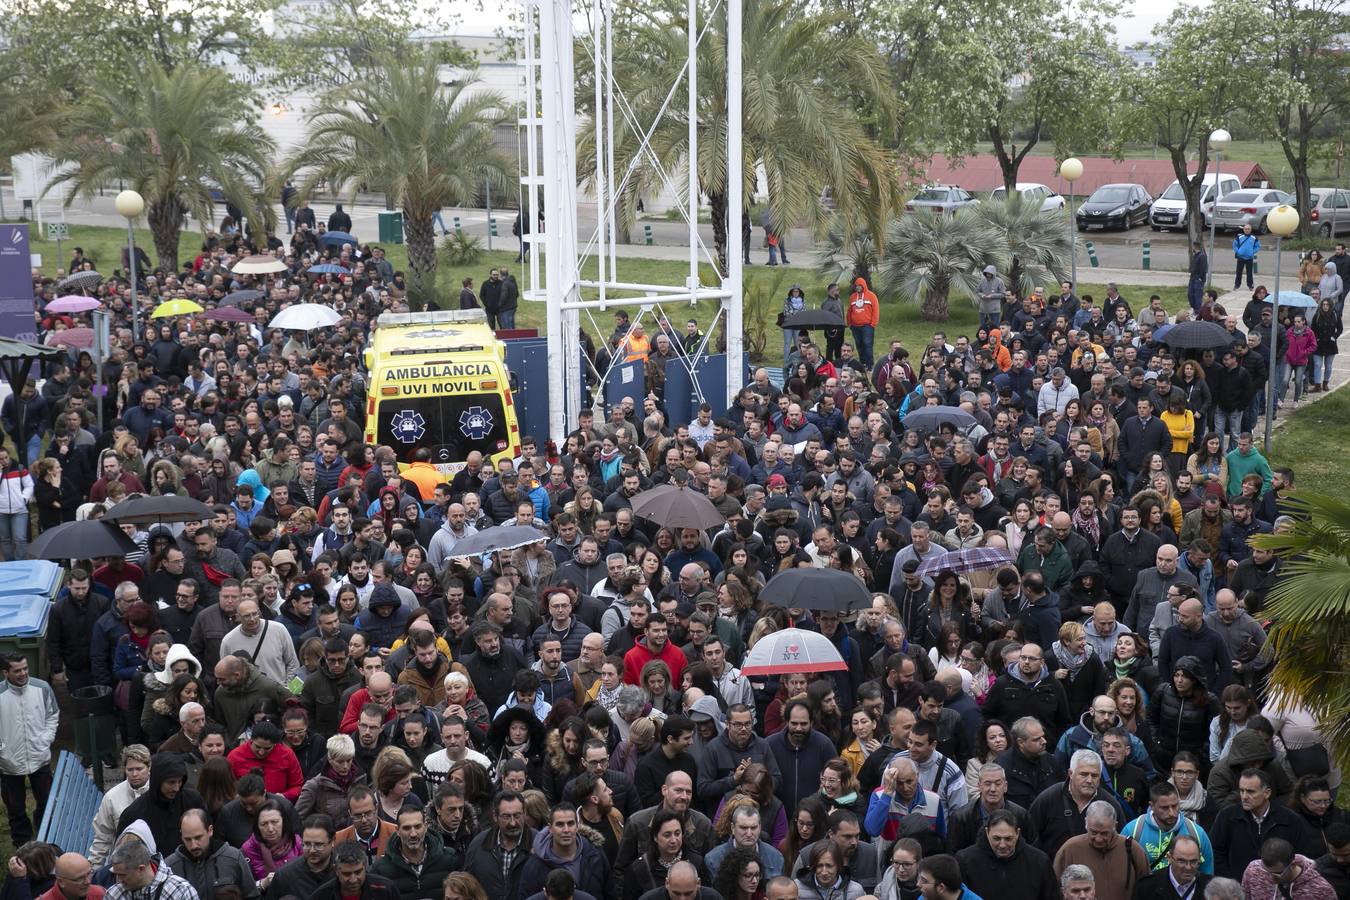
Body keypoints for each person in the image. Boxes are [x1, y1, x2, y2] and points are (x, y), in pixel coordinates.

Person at [0, 654, 60, 846]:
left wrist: (46, 740)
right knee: (16, 809)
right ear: (5, 672)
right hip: (8, 764)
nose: (23, 673)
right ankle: (22, 846)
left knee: (45, 803)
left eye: (25, 668)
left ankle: (45, 840)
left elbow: (53, 715)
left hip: (40, 758)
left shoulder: (42, 688)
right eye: (17, 670)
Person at [1052, 801, 1149, 900]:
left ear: (1115, 826)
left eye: (1104, 833)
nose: (1098, 839)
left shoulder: (1132, 849)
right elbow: (1054, 890)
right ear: (1086, 823)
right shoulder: (1070, 849)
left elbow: (1147, 889)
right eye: (1093, 832)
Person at [955, 809, 1057, 900]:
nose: (1002, 845)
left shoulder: (1039, 861)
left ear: (1017, 833)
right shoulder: (965, 862)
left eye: (1008, 839)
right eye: (996, 838)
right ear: (987, 832)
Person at [163, 809, 257, 900]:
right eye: (187, 839)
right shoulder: (170, 867)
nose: (193, 845)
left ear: (210, 831)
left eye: (198, 837)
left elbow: (252, 896)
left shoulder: (233, 857)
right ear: (181, 835)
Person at [371, 803, 458, 900]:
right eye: (406, 828)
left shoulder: (449, 859)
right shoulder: (381, 870)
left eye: (417, 827)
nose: (413, 834)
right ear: (398, 831)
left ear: (425, 827)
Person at [1239, 837, 1336, 900]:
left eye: (1277, 873)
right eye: (1266, 871)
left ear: (1293, 864)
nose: (1271, 877)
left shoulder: (1320, 889)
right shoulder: (1254, 870)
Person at [267, 815, 338, 900]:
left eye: (318, 845)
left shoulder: (344, 871)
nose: (312, 850)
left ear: (333, 841)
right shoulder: (284, 876)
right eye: (307, 844)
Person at [104, 839, 198, 900]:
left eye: (123, 875)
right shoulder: (114, 895)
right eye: (115, 873)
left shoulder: (180, 892)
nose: (119, 880)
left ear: (141, 869)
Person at [310, 841, 399, 900]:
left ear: (365, 866)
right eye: (346, 874)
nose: (353, 879)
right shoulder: (322, 895)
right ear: (336, 870)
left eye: (358, 872)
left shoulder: (386, 889)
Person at [1131, 835, 1211, 900]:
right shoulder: (1147, 887)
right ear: (1169, 857)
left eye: (1193, 861)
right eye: (1181, 861)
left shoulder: (1212, 887)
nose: (1188, 867)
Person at [915, 854, 982, 900]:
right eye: (919, 878)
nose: (918, 884)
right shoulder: (926, 897)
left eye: (924, 881)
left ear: (941, 887)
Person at [1232, 225, 1259, 291]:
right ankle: (1237, 285)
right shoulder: (1239, 237)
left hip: (1249, 258)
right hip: (1240, 257)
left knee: (1249, 272)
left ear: (1251, 230)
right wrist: (1238, 252)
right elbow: (1234, 245)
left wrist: (1252, 252)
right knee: (1238, 272)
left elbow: (1258, 246)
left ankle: (1250, 285)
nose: (1247, 230)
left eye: (1248, 229)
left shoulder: (1254, 237)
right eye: (1245, 229)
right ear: (1243, 230)